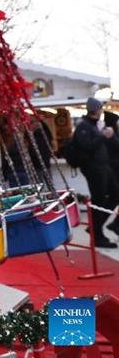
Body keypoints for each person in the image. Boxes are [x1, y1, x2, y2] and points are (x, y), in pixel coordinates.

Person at [72, 98, 119, 248]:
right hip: (94, 168)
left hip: (103, 166)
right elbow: (87, 146)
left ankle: (96, 226)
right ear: (96, 110)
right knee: (98, 201)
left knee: (115, 194)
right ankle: (96, 234)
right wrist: (103, 136)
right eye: (100, 108)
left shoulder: (93, 125)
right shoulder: (84, 126)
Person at [28, 116, 53, 190]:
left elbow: (32, 152)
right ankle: (53, 195)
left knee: (39, 185)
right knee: (50, 184)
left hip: (37, 164)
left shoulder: (34, 138)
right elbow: (49, 132)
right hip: (46, 162)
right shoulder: (46, 136)